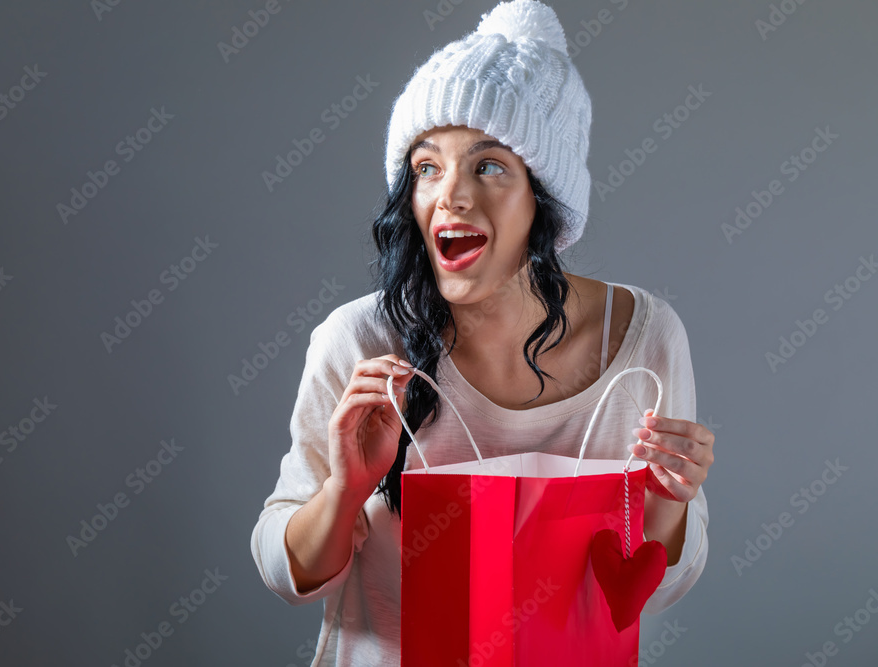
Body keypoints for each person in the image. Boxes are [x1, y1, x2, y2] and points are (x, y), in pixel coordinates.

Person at [251, 1, 714, 664]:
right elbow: (284, 570)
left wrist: (667, 503)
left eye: (489, 166)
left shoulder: (644, 339)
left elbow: (648, 588)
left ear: (543, 196)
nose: (452, 196)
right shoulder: (359, 342)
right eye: (427, 167)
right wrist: (346, 489)